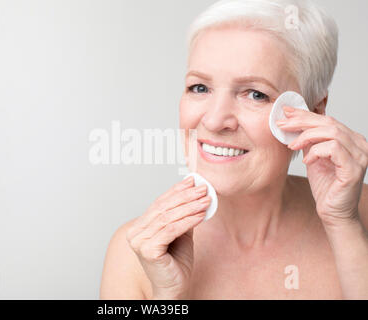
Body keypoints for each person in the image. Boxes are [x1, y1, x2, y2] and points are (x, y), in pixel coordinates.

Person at [100, 0, 368, 299]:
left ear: (314, 112)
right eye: (199, 88)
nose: (214, 121)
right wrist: (167, 296)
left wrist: (344, 227)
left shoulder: (357, 217)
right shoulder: (136, 253)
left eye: (255, 94)